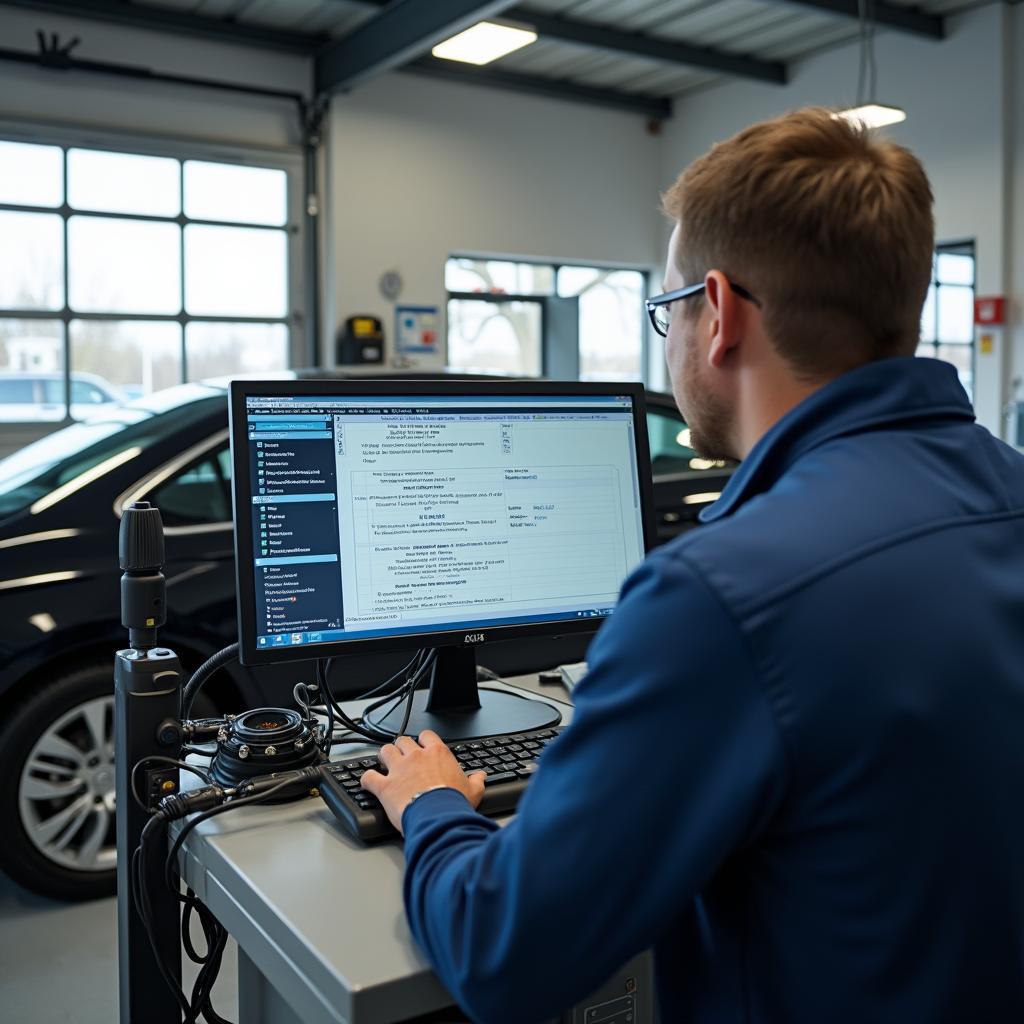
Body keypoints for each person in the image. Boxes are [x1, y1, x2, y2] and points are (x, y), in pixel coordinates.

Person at [362, 107, 1024, 1023]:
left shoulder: (724, 596)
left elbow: (499, 950)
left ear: (716, 314)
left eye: (665, 308)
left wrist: (432, 808)